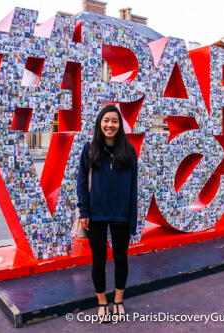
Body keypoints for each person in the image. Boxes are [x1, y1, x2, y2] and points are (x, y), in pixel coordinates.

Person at [77, 104, 138, 323]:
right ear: (99, 123)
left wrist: (133, 219)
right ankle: (102, 302)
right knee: (99, 260)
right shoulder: (90, 148)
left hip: (121, 214)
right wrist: (84, 210)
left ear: (119, 125)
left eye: (114, 121)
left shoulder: (128, 150)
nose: (110, 125)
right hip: (96, 215)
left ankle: (118, 301)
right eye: (106, 121)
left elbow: (133, 187)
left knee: (121, 259)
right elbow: (82, 182)